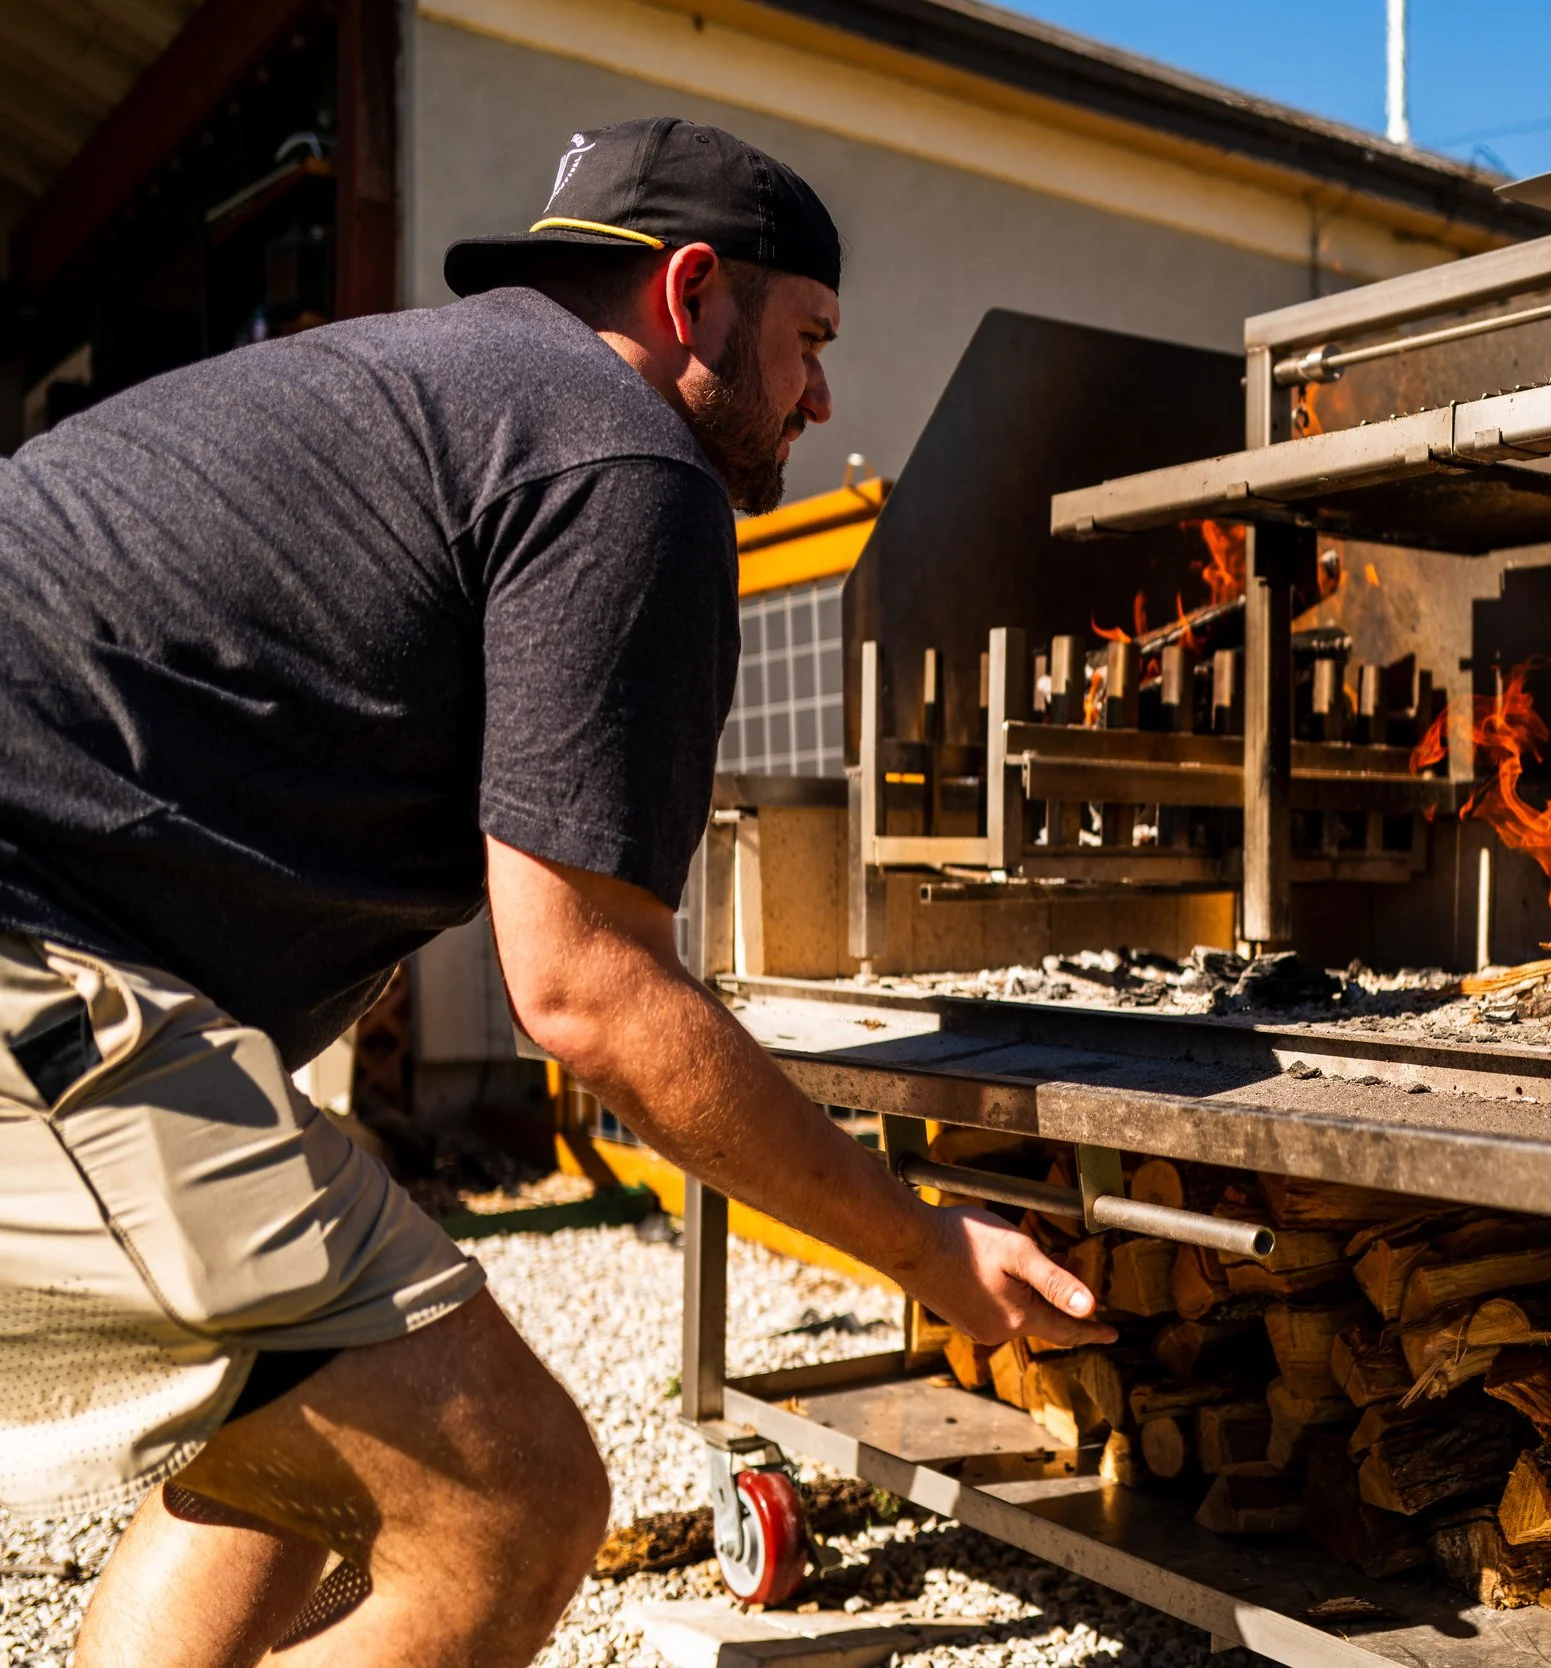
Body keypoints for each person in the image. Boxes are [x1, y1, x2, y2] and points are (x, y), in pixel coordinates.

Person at [0, 116, 1113, 1667]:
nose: (823, 396)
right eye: (809, 341)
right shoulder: (618, 461)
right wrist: (922, 1248)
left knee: (309, 1403)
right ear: (693, 293)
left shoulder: (436, 394)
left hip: (72, 936)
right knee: (511, 1506)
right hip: (30, 952)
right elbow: (588, 993)